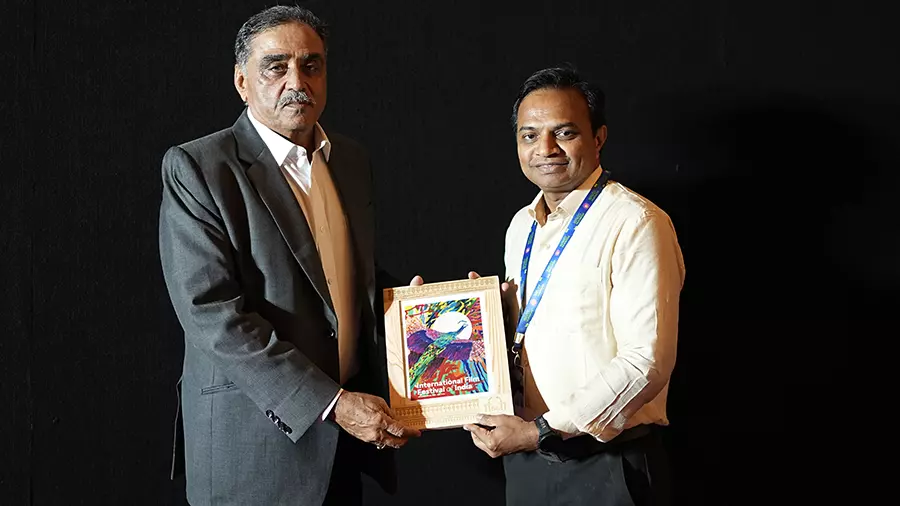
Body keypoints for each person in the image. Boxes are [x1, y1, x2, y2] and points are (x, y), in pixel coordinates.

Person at [158, 6, 419, 505]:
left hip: (347, 445)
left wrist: (411, 309)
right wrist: (332, 403)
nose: (297, 81)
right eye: (276, 67)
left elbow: (344, 278)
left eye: (311, 65)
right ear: (242, 81)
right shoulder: (199, 167)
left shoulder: (350, 160)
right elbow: (212, 314)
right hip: (253, 448)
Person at [462, 66, 686, 505]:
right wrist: (475, 319)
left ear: (598, 138)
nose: (545, 149)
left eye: (563, 133)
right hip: (526, 463)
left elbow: (646, 362)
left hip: (607, 465)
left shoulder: (636, 222)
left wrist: (540, 430)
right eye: (529, 135)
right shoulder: (521, 227)